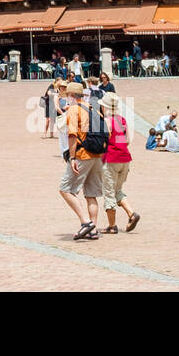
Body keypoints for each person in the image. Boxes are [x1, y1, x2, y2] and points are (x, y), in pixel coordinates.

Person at [59, 81, 105, 240]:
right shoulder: (93, 109)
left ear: (71, 96)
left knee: (65, 189)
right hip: (97, 156)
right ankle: (93, 230)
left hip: (83, 154)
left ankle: (86, 223)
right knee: (91, 194)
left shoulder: (73, 110)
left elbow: (72, 135)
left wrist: (72, 157)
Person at [98, 93, 140, 234]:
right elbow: (127, 140)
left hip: (111, 158)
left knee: (109, 193)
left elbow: (103, 143)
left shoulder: (106, 121)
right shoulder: (122, 120)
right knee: (118, 190)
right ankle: (131, 214)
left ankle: (112, 226)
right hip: (125, 158)